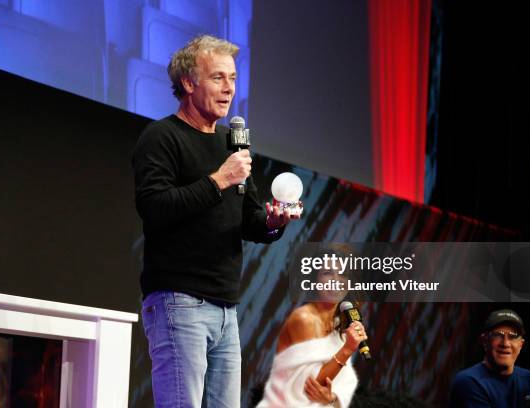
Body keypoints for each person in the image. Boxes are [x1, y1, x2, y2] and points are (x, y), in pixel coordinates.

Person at [132, 35, 300, 408]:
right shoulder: (161, 137)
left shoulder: (232, 143)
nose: (229, 89)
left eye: (234, 79)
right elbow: (155, 207)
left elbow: (252, 220)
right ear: (189, 83)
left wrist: (275, 221)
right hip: (179, 301)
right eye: (218, 78)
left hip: (226, 307)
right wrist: (219, 179)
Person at [257, 260, 365, 407]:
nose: (336, 280)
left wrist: (332, 398)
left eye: (343, 274)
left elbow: (342, 385)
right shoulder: (304, 319)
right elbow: (311, 387)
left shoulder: (341, 324)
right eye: (327, 273)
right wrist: (347, 349)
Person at [449, 309, 530, 407]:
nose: (505, 344)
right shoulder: (468, 382)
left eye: (512, 336)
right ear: (484, 341)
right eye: (498, 335)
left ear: (521, 345)